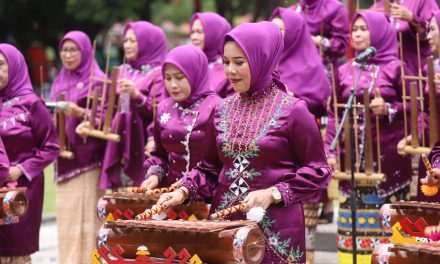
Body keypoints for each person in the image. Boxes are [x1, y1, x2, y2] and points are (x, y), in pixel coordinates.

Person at [157, 21, 331, 263]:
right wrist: (183, 191)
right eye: (226, 62)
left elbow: (318, 171)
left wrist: (274, 193)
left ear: (263, 59)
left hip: (276, 231)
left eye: (239, 62)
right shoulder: (220, 110)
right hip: (224, 227)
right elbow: (208, 169)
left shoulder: (294, 110)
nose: (230, 71)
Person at [324, 11, 412, 264]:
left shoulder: (396, 68)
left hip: (389, 166)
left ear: (379, 32)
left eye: (364, 28)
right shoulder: (343, 71)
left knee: (387, 237)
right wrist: (330, 151)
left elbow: (416, 109)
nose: (358, 34)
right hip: (352, 167)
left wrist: (389, 109)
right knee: (352, 236)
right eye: (355, 29)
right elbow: (334, 114)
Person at [50, 31, 107, 263]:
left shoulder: (99, 80)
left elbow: (108, 118)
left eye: (74, 50)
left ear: (85, 52)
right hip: (63, 159)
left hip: (88, 160)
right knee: (67, 220)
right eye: (64, 50)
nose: (68, 55)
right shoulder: (58, 80)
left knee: (88, 220)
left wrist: (80, 112)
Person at [0, 43, 59, 263]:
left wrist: (20, 169)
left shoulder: (31, 104)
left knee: (15, 249)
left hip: (22, 186)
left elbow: (52, 146)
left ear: (14, 67)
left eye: (0, 65)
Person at [141, 45, 220, 190]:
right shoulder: (164, 107)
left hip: (206, 196)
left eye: (179, 77)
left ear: (195, 73)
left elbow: (221, 163)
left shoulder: (217, 108)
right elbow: (160, 155)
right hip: (168, 196)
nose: (173, 85)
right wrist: (155, 175)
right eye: (167, 78)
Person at [100, 21, 167, 189]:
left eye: (133, 41)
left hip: (143, 142)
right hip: (120, 140)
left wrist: (136, 95)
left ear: (147, 42)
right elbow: (115, 107)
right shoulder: (122, 70)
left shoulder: (159, 73)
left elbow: (159, 111)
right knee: (119, 200)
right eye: (125, 40)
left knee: (141, 196)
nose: (127, 45)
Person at [270, 7, 330, 117]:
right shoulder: (266, 59)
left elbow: (320, 107)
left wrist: (291, 96)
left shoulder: (311, 66)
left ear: (294, 32)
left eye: (280, 29)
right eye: (271, 28)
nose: (273, 33)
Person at [372, 0, 439, 76]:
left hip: (416, 72)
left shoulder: (423, 1)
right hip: (385, 75)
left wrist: (413, 19)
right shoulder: (377, 7)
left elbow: (435, 29)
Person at [292, 0, 349, 80]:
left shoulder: (335, 8)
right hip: (295, 72)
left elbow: (341, 44)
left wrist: (318, 41)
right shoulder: (293, 10)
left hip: (325, 72)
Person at [190, 12, 233, 98]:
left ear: (215, 34)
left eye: (199, 32)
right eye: (192, 32)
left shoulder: (230, 67)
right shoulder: (190, 63)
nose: (194, 37)